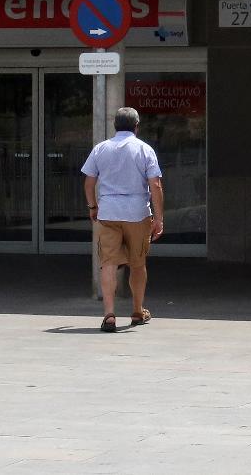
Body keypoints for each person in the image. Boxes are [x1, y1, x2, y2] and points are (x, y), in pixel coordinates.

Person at [81, 107, 165, 333]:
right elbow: (155, 185)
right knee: (138, 264)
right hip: (137, 213)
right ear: (137, 126)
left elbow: (89, 183)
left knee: (108, 263)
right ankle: (138, 311)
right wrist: (159, 218)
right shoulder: (145, 149)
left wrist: (92, 206)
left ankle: (109, 314)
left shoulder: (100, 149)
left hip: (108, 212)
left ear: (115, 126)